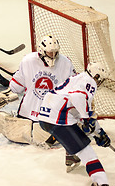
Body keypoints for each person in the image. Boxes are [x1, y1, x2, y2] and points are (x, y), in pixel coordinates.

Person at [38, 62, 115, 186]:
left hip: (44, 118)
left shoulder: (77, 79)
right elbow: (78, 98)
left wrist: (99, 133)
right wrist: (87, 120)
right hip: (59, 119)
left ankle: (71, 157)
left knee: (78, 130)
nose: (100, 83)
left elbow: (80, 113)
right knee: (88, 152)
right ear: (96, 76)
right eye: (100, 79)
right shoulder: (90, 83)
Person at [8, 35, 80, 169]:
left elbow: (74, 87)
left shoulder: (65, 62)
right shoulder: (28, 60)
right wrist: (8, 93)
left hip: (51, 115)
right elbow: (15, 87)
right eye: (49, 52)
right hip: (28, 113)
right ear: (41, 51)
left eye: (54, 52)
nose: (52, 55)